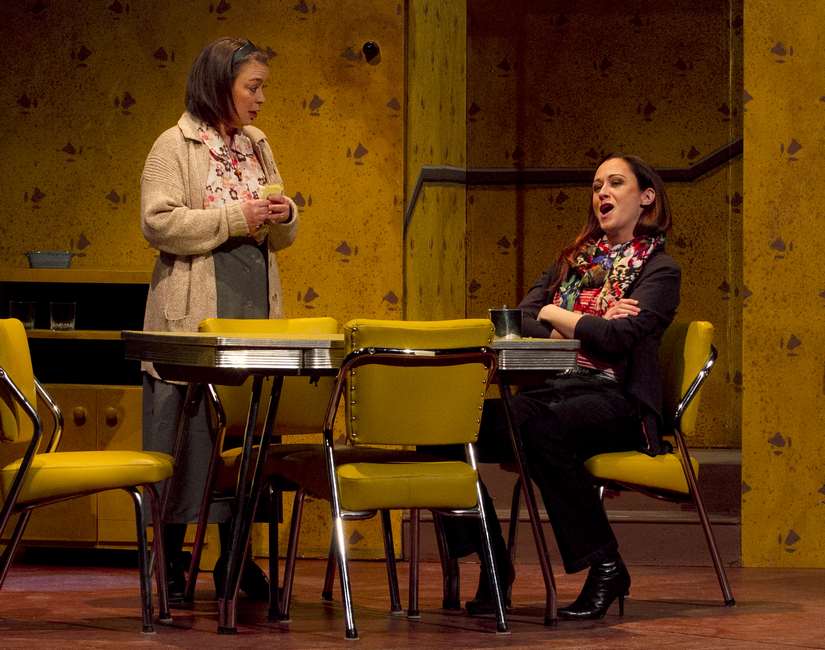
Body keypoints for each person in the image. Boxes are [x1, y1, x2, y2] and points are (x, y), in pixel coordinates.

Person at [441, 153, 680, 620]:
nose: (602, 193)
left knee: (538, 425)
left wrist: (557, 314)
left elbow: (617, 339)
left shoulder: (660, 270)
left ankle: (606, 565)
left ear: (646, 197)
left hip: (617, 403)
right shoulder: (570, 263)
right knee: (443, 426)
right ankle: (493, 562)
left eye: (615, 183)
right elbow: (518, 321)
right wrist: (582, 320)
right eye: (596, 186)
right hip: (554, 393)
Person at [140, 37, 299, 602]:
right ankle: (171, 559)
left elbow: (279, 233)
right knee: (187, 438)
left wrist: (285, 213)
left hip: (254, 307)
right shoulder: (174, 144)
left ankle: (236, 558)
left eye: (262, 88)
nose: (260, 99)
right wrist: (236, 217)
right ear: (218, 84)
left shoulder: (257, 144)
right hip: (196, 308)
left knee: (249, 435)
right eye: (252, 87)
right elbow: (158, 223)